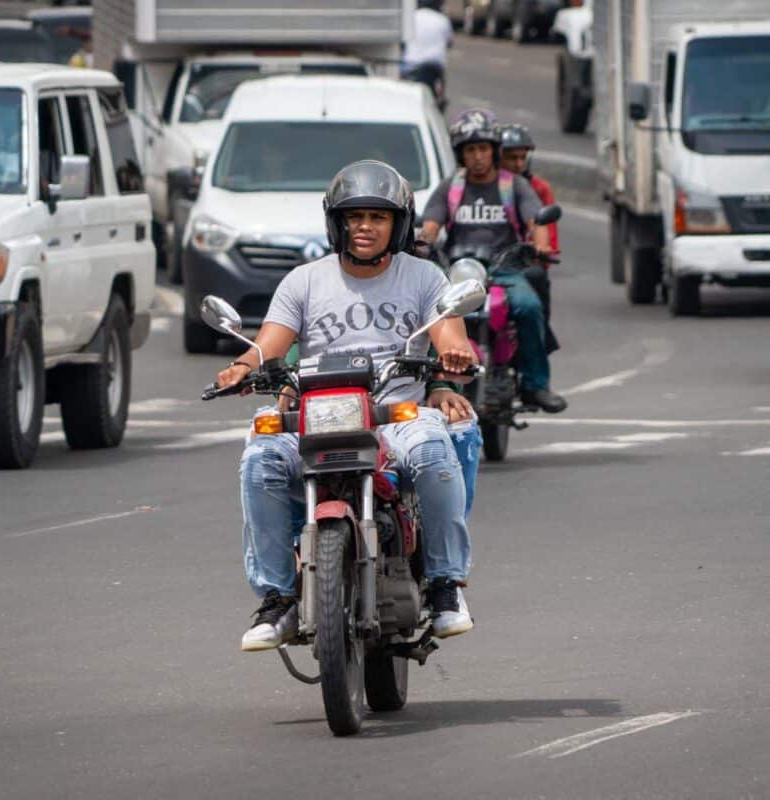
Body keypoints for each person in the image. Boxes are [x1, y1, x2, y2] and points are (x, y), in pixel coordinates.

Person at [215, 160, 478, 651]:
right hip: (320, 413)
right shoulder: (303, 281)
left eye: (377, 218)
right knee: (260, 461)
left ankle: (445, 587)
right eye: (354, 217)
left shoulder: (423, 277)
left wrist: (453, 354)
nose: (365, 227)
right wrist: (242, 366)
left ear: (397, 224)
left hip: (394, 414)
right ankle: (278, 598)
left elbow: (448, 332)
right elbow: (269, 344)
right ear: (336, 222)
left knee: (435, 452)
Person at [421, 109, 567, 414]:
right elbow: (431, 226)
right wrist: (421, 243)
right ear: (461, 154)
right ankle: (429, 382)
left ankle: (535, 384)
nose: (477, 156)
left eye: (483, 149)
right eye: (471, 150)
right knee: (427, 314)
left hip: (505, 270)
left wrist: (540, 244)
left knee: (528, 307)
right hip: (460, 272)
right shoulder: (451, 187)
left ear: (494, 151)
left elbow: (535, 218)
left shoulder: (513, 185)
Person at [499, 123, 559, 353]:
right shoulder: (477, 184)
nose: (517, 164)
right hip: (482, 263)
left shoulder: (536, 189)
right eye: (510, 157)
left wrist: (541, 247)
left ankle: (538, 346)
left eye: (521, 158)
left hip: (519, 265)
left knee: (536, 280)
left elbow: (545, 229)